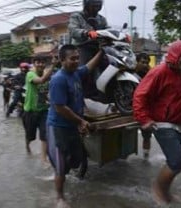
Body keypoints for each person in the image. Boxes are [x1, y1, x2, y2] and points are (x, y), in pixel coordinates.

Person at [133, 40, 181, 205]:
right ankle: (158, 189)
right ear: (174, 54)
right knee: (177, 163)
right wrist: (144, 119)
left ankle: (165, 191)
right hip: (164, 124)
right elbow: (140, 95)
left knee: (175, 163)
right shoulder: (159, 72)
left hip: (179, 125)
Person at [46, 44, 103, 207]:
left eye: (78, 58)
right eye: (72, 58)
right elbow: (60, 108)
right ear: (62, 60)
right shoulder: (58, 79)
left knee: (77, 159)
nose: (76, 61)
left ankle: (60, 170)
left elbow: (89, 66)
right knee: (61, 166)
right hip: (58, 127)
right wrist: (81, 121)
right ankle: (60, 197)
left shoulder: (76, 73)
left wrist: (101, 51)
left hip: (72, 126)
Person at [22, 56, 56, 164]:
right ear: (34, 64)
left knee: (44, 135)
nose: (40, 64)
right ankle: (27, 145)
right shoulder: (30, 74)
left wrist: (51, 101)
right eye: (38, 62)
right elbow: (41, 81)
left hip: (44, 111)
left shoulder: (48, 75)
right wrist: (53, 66)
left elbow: (46, 92)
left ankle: (43, 159)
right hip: (31, 111)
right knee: (30, 136)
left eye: (42, 62)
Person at [68, 0, 108, 65]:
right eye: (94, 6)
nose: (96, 7)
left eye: (98, 5)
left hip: (98, 47)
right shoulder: (77, 16)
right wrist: (86, 33)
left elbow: (108, 30)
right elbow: (73, 30)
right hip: (82, 47)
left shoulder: (101, 19)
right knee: (83, 69)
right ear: (87, 4)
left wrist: (121, 36)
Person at [135, 52, 152, 159]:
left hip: (145, 109)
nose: (145, 65)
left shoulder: (151, 74)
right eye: (142, 62)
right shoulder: (130, 71)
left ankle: (146, 155)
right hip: (131, 107)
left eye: (146, 63)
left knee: (147, 135)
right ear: (137, 62)